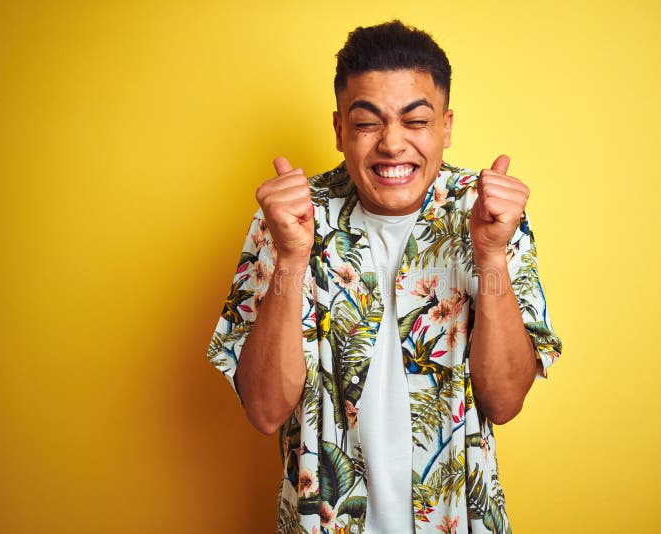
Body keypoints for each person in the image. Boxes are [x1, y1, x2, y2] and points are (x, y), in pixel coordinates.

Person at [207, 20, 562, 534]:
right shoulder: (288, 218)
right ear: (339, 130)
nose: (392, 145)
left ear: (445, 125)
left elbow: (505, 403)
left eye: (415, 120)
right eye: (368, 122)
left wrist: (490, 256)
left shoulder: (488, 213)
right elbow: (265, 411)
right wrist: (290, 258)